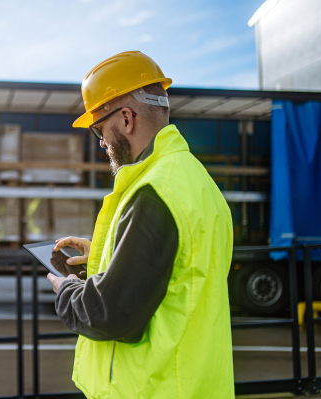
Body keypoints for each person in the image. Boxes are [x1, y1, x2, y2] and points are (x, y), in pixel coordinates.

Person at [47, 51, 234, 399]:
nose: (102, 143)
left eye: (99, 130)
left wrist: (66, 289)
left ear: (127, 119)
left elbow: (109, 314)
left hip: (154, 389)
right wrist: (106, 256)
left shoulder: (153, 193)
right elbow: (178, 275)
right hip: (195, 383)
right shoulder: (196, 181)